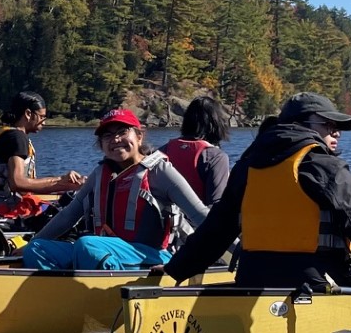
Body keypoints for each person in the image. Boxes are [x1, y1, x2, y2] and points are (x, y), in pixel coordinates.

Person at [161, 92, 351, 292]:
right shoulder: (324, 165)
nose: (336, 132)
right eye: (329, 125)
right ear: (303, 124)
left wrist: (175, 269)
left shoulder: (249, 163)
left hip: (250, 282)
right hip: (314, 286)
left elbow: (217, 229)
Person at [19, 109, 209, 271]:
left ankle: (100, 297)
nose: (116, 139)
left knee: (87, 245)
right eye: (107, 136)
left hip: (149, 256)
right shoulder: (100, 173)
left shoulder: (160, 171)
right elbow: (68, 216)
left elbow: (200, 215)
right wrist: (32, 241)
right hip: (103, 252)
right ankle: (67, 300)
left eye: (122, 132)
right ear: (101, 144)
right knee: (36, 248)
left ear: (139, 136)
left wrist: (236, 251)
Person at [0, 90, 85, 214]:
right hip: (0, 207)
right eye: (42, 117)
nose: (44, 122)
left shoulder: (5, 133)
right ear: (28, 113)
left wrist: (62, 181)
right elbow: (18, 182)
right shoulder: (16, 137)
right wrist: (65, 184)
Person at [161, 96, 233, 206]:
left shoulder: (163, 150)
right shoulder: (216, 157)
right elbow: (216, 208)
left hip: (166, 220)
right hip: (198, 221)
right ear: (217, 123)